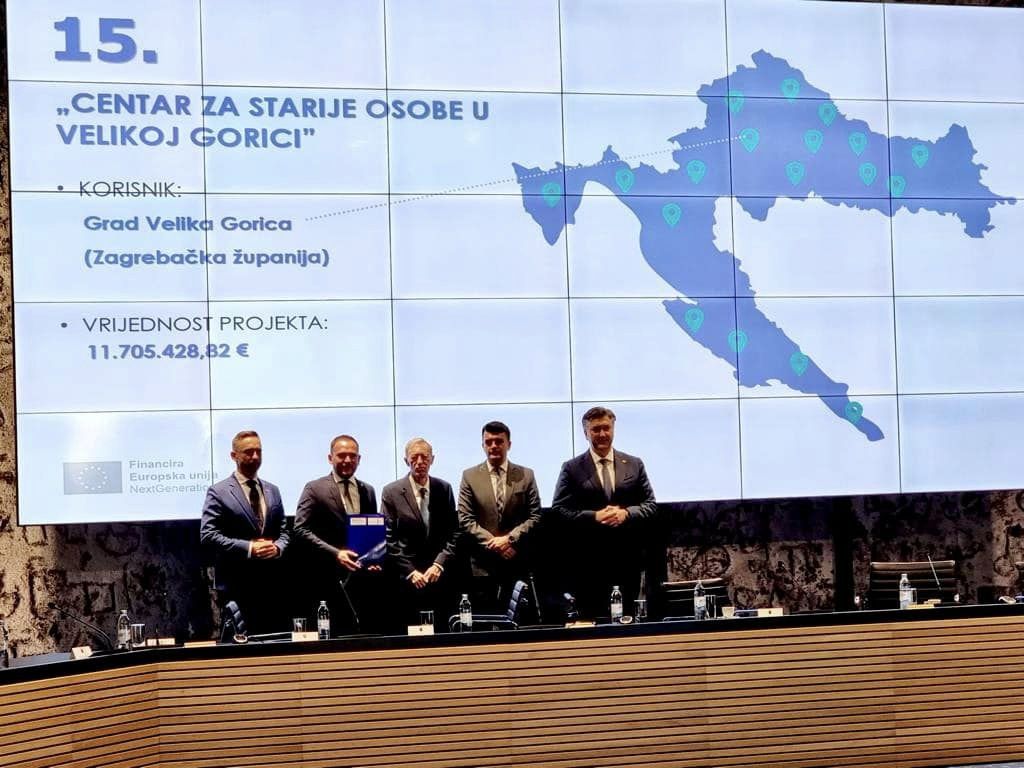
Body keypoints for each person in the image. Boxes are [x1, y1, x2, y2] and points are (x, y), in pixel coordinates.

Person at [551, 407, 657, 619]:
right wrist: (594, 516)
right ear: (586, 433)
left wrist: (626, 513)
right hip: (589, 563)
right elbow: (559, 510)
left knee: (628, 622)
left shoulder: (634, 464)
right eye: (595, 429)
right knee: (592, 622)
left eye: (606, 428)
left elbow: (650, 504)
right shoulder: (571, 468)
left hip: (628, 560)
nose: (602, 434)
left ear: (613, 429)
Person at [200, 430, 290, 635]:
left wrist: (277, 548)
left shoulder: (273, 490)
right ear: (234, 456)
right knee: (239, 646)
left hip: (272, 584)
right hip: (236, 585)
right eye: (249, 452)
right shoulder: (219, 491)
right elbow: (208, 535)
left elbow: (284, 532)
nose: (255, 456)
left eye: (259, 451)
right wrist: (250, 548)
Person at [293, 434, 384, 634]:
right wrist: (336, 553)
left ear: (359, 459)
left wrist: (374, 558)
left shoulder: (368, 490)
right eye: (341, 455)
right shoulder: (314, 488)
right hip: (326, 578)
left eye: (352, 456)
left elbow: (369, 531)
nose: (347, 460)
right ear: (330, 458)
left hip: (360, 580)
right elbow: (300, 528)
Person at [457, 421, 542, 615]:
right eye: (488, 442)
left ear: (508, 444)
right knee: (486, 623)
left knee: (518, 623)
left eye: (499, 441)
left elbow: (535, 515)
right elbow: (465, 518)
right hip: (483, 565)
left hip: (516, 560)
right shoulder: (469, 476)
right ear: (483, 445)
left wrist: (509, 539)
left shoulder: (526, 475)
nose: (493, 446)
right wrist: (495, 543)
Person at [381, 437, 462, 630]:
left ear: (432, 459)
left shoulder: (444, 488)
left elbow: (454, 532)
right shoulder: (391, 492)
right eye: (414, 457)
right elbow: (388, 537)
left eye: (424, 457)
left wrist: (439, 564)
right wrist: (410, 571)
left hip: (439, 576)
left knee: (442, 633)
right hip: (407, 579)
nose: (419, 462)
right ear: (406, 461)